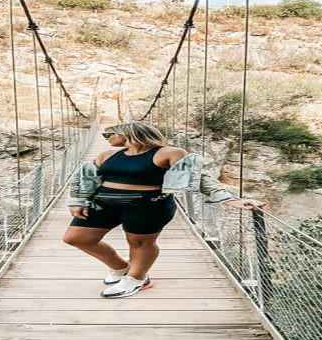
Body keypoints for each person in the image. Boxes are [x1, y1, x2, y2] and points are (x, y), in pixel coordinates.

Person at [63, 122, 264, 298]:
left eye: (109, 134)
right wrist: (79, 201)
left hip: (148, 205)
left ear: (130, 133)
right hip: (104, 204)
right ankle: (121, 268)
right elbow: (88, 178)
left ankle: (137, 278)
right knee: (76, 238)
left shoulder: (168, 153)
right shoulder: (106, 155)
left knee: (140, 242)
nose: (106, 138)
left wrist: (229, 199)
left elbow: (198, 177)